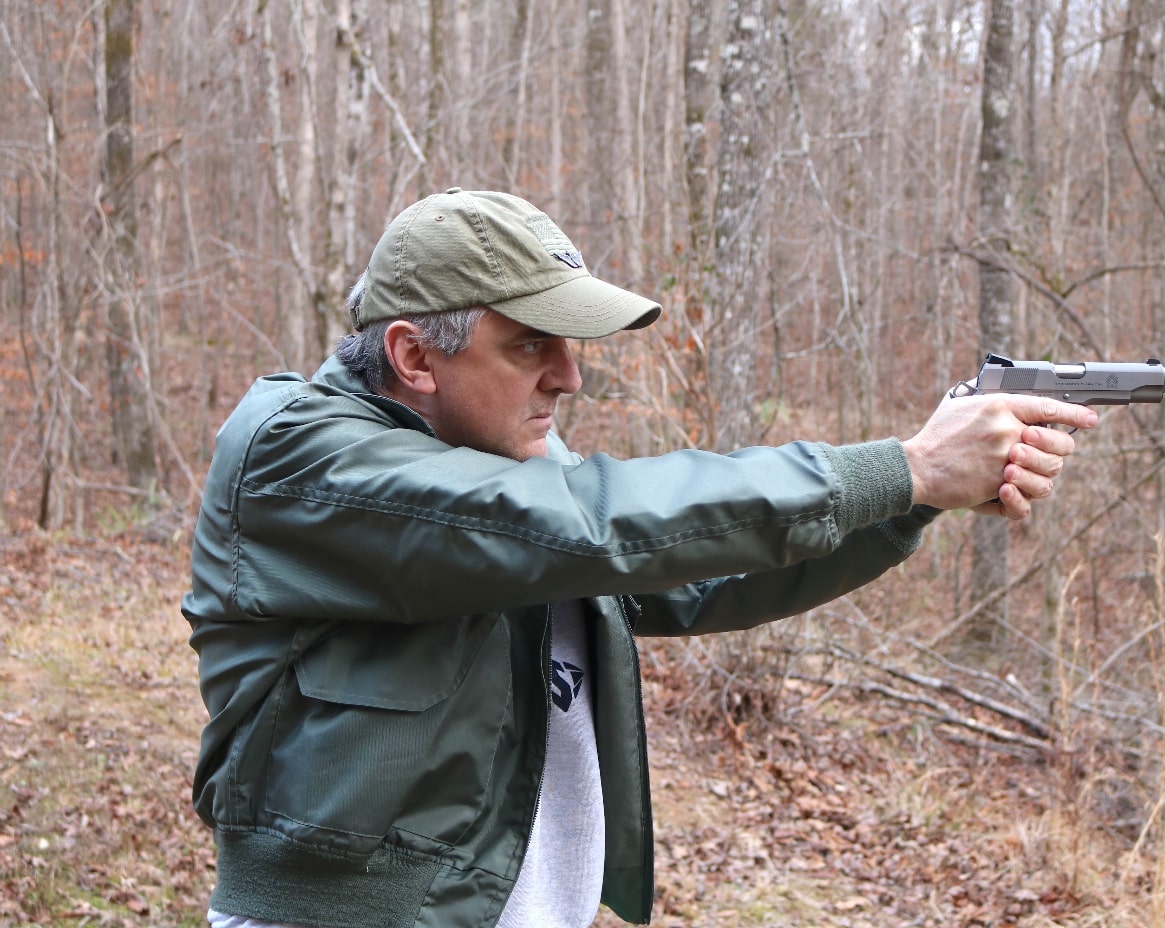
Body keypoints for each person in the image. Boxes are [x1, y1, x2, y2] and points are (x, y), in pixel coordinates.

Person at [182, 188, 1096, 928]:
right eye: (529, 343)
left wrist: (914, 496)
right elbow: (594, 524)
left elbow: (689, 573)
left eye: (569, 343)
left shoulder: (511, 475)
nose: (569, 376)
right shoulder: (301, 456)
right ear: (415, 355)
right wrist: (900, 465)